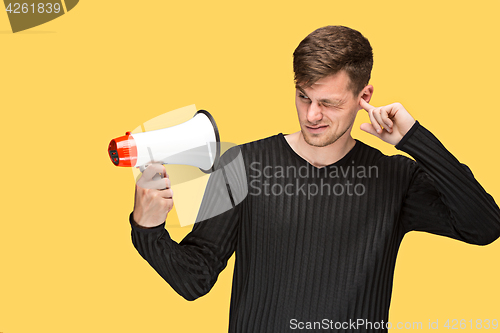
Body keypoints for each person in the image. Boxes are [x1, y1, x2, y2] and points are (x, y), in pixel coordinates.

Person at [129, 26, 500, 332]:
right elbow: (195, 279)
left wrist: (414, 139)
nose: (311, 115)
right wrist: (147, 229)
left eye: (329, 103)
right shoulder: (241, 164)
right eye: (303, 96)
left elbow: (484, 227)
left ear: (364, 96)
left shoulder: (395, 178)